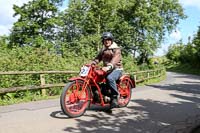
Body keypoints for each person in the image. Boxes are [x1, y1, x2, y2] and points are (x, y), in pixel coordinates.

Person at [91, 32, 123, 108]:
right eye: (105, 40)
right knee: (93, 78)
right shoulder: (103, 50)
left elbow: (115, 59)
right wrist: (92, 63)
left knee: (110, 78)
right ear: (103, 41)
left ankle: (114, 97)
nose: (107, 41)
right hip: (107, 70)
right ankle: (97, 95)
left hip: (117, 69)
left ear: (111, 40)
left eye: (108, 39)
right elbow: (97, 58)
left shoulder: (116, 49)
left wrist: (109, 66)